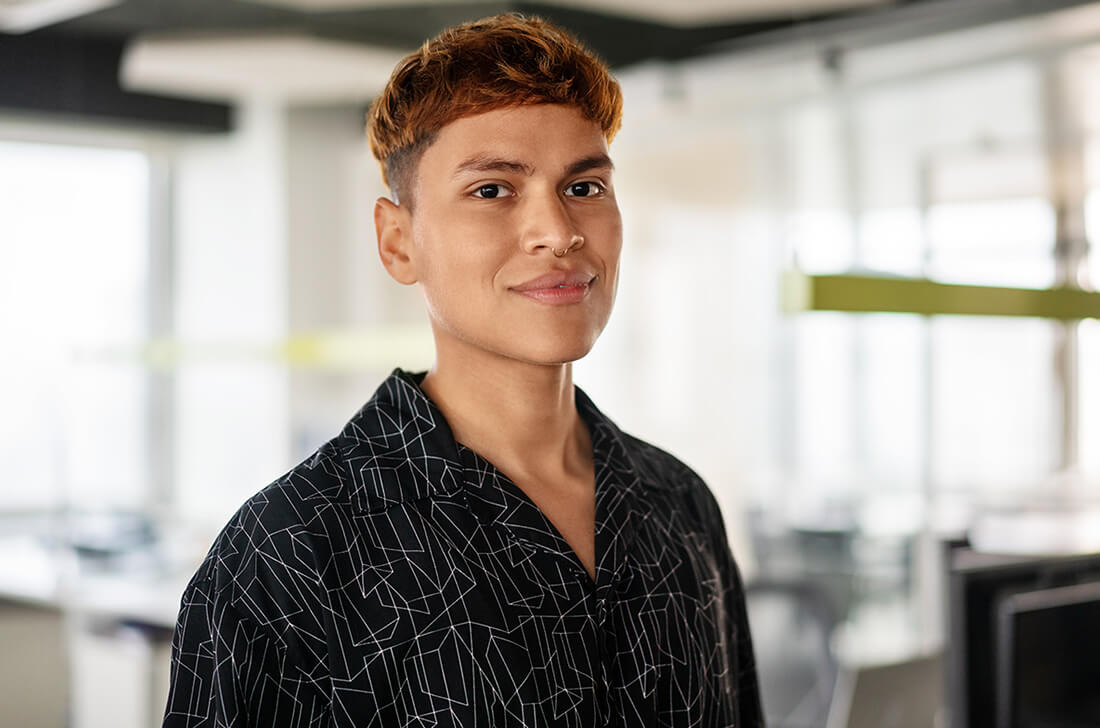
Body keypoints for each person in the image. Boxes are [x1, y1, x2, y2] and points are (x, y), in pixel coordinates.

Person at [162, 12, 763, 728]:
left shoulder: (680, 505)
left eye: (584, 188)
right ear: (398, 242)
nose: (558, 233)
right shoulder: (289, 554)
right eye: (492, 190)